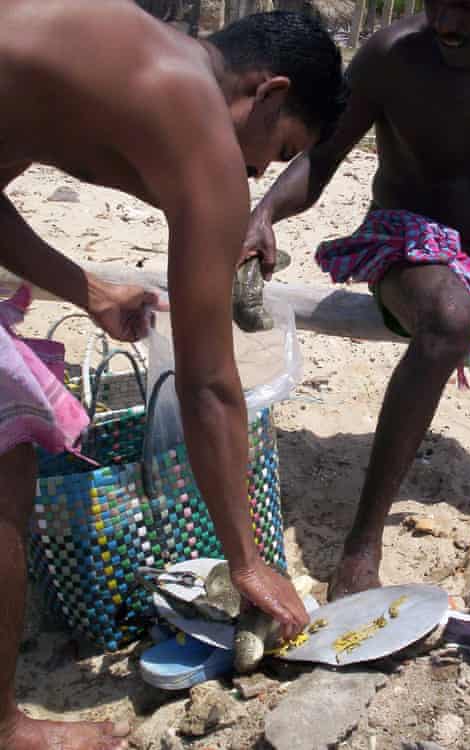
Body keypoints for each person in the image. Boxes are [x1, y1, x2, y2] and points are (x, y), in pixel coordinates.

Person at [0, 3, 345, 749]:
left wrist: (86, 289)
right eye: (275, 150)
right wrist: (247, 562)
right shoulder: (201, 125)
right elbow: (208, 383)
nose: (255, 174)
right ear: (269, 92)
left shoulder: (131, 52)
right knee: (4, 465)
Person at [243, 0, 470, 599]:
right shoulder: (392, 56)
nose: (445, 19)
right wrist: (265, 212)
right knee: (450, 318)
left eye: (465, 5)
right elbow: (322, 157)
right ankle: (362, 541)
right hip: (405, 244)